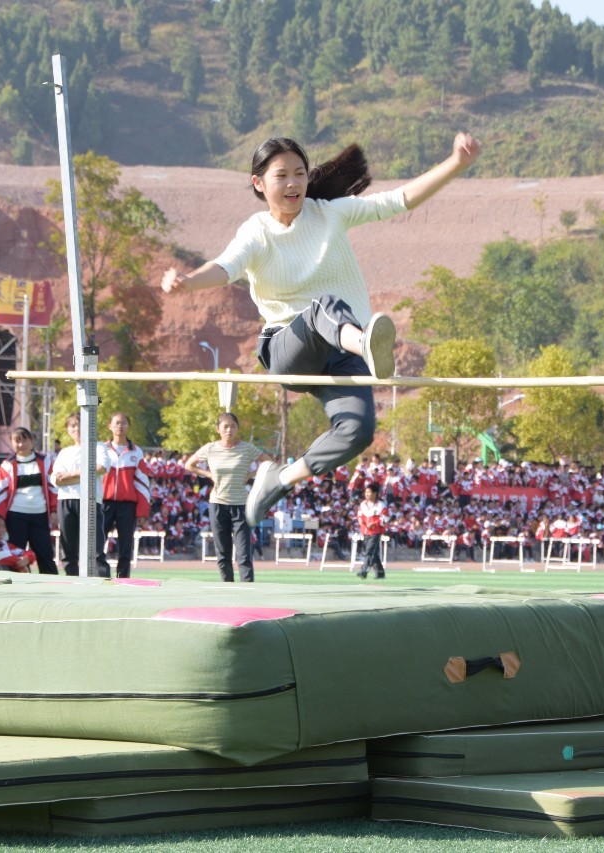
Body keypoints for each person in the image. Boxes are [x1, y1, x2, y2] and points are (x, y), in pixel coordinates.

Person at [159, 132, 483, 528]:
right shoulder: (256, 232)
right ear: (259, 183)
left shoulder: (330, 213)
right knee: (320, 309)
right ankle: (365, 343)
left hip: (341, 355)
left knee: (357, 431)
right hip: (288, 349)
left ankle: (280, 477)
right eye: (282, 175)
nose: (294, 183)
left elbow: (399, 200)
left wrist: (457, 163)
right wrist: (188, 280)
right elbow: (225, 268)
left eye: (300, 173)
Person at [184, 412, 260, 583]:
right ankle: (228, 588)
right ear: (218, 429)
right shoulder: (210, 448)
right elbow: (189, 464)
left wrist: (251, 474)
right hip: (218, 504)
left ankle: (248, 591)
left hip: (241, 505)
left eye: (233, 426)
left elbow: (270, 462)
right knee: (223, 553)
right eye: (225, 426)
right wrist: (208, 474)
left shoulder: (247, 449)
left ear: (237, 428)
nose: (229, 430)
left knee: (243, 553)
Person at [50, 412, 113, 577]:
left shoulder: (98, 446)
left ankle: (102, 579)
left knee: (95, 545)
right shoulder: (64, 452)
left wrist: (70, 476)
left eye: (80, 424)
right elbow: (55, 479)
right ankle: (72, 578)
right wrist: (83, 475)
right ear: (67, 430)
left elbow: (101, 468)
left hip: (90, 499)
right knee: (68, 546)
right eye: (72, 425)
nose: (77, 428)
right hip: (66, 500)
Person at [0, 427, 58, 575]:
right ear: (12, 443)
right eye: (17, 441)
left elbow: (53, 489)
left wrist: (54, 510)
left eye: (24, 439)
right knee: (15, 555)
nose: (21, 444)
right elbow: (1, 494)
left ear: (32, 441)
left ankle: (52, 586)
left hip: (40, 515)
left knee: (45, 555)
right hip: (15, 516)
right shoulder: (7, 465)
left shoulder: (46, 462)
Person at [101, 413, 151, 578]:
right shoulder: (102, 449)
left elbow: (143, 485)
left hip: (127, 505)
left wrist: (143, 512)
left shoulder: (136, 452)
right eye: (116, 423)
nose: (120, 426)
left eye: (124, 423)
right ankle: (100, 574)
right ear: (110, 425)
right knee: (97, 542)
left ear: (129, 426)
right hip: (104, 503)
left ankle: (123, 578)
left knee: (125, 545)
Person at [356, 481, 387, 580]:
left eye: (369, 492)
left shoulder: (380, 505)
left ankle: (363, 570)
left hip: (375, 532)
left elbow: (385, 518)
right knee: (373, 553)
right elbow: (360, 516)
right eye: (366, 492)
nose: (367, 494)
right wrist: (363, 525)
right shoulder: (363, 504)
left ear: (375, 493)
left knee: (369, 552)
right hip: (365, 531)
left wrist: (374, 524)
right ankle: (380, 572)